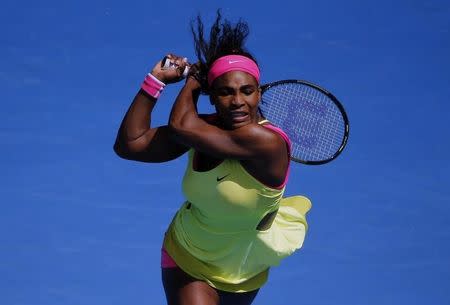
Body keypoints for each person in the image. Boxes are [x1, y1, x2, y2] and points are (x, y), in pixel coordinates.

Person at [114, 11, 311, 305]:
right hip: (186, 255)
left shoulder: (267, 143)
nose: (237, 101)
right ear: (214, 96)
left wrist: (192, 80)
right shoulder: (200, 132)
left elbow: (182, 126)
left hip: (242, 271)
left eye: (247, 91)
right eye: (225, 92)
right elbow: (130, 144)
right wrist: (155, 80)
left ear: (259, 93)